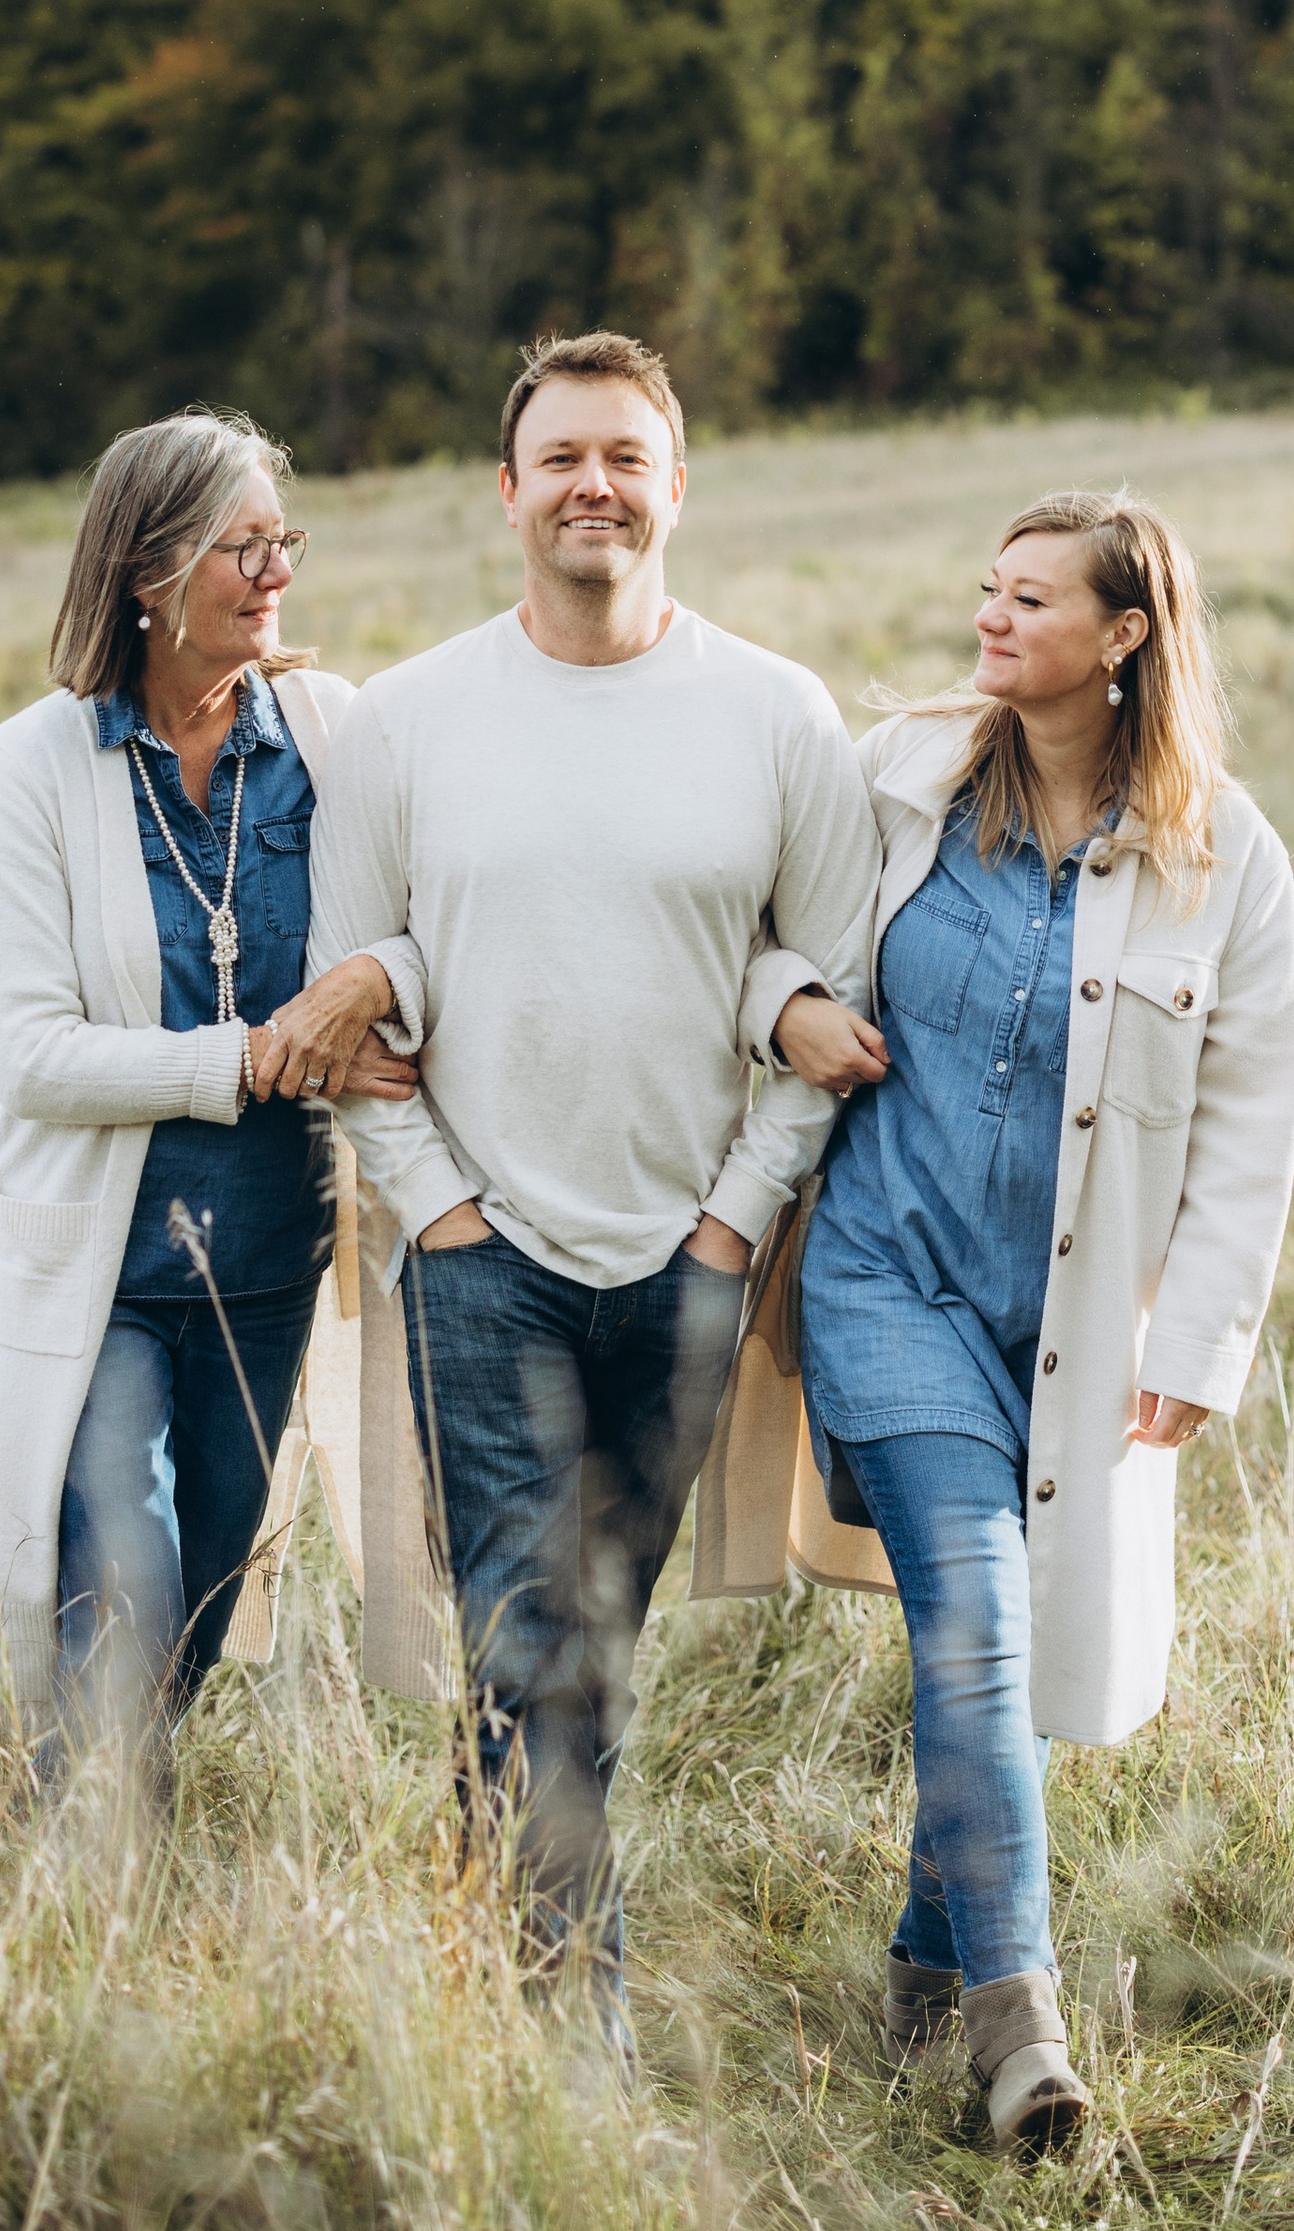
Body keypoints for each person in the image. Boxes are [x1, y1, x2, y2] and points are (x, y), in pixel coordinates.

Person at [695, 490, 1294, 2157]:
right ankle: (1020, 2026)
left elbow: (1257, 1117)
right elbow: (754, 942)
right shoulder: (895, 781)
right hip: (888, 1276)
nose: (992, 620)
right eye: (988, 590)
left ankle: (920, 1954)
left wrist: (1197, 1348)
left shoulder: (1222, 855)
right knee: (972, 1617)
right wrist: (795, 1009)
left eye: (1031, 600)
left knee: (1005, 1648)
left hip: (1077, 1326)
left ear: (1124, 638)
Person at [309, 328, 883, 2031]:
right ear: (507, 494)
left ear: (677, 488)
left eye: (627, 455)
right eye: (561, 456)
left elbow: (831, 998)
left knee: (590, 1638)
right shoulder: (407, 723)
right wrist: (442, 1212)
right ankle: (579, 2025)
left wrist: (729, 1223)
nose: (594, 485)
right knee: (533, 1627)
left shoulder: (779, 714)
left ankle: (484, 1940)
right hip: (483, 1255)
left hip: (689, 1261)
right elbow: (352, 997)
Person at [0, 407, 419, 1783]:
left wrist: (369, 986)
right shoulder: (33, 766)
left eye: (282, 542)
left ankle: (89, 1818)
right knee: (118, 1566)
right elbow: (27, 1049)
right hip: (104, 1258)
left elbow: (419, 920)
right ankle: (83, 1875)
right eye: (239, 547)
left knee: (199, 1582)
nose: (274, 574)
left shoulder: (333, 734)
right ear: (146, 574)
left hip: (272, 1256)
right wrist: (254, 1059)